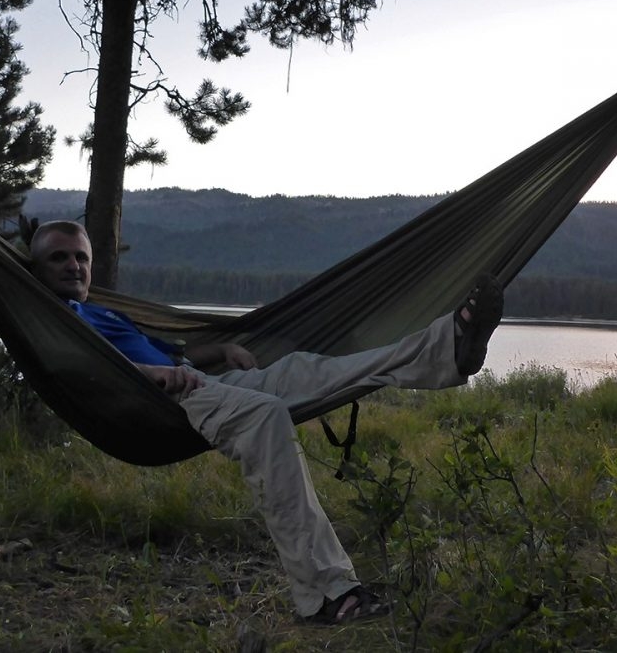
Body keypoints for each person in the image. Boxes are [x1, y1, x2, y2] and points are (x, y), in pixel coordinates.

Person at [28, 219, 503, 625]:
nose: (74, 266)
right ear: (35, 269)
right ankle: (326, 595)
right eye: (59, 259)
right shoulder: (55, 322)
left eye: (82, 258)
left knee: (304, 369)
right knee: (266, 417)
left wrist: (219, 350)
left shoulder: (101, 312)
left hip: (191, 380)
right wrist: (152, 373)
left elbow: (173, 354)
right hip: (163, 401)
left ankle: (448, 348)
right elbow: (84, 368)